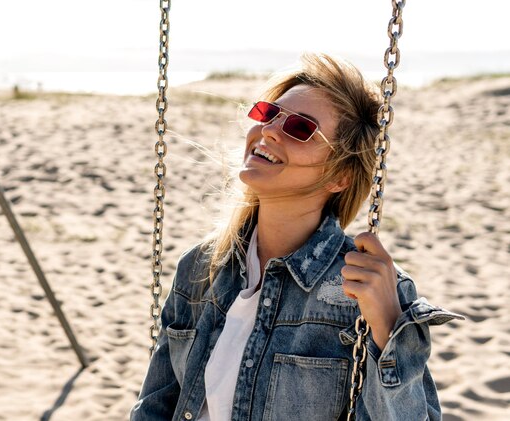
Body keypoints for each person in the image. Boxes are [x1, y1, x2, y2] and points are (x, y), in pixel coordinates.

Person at [130, 53, 463, 420]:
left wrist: (387, 329)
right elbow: (154, 407)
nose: (269, 130)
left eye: (300, 128)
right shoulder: (200, 267)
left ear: (340, 177)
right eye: (268, 113)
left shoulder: (368, 290)